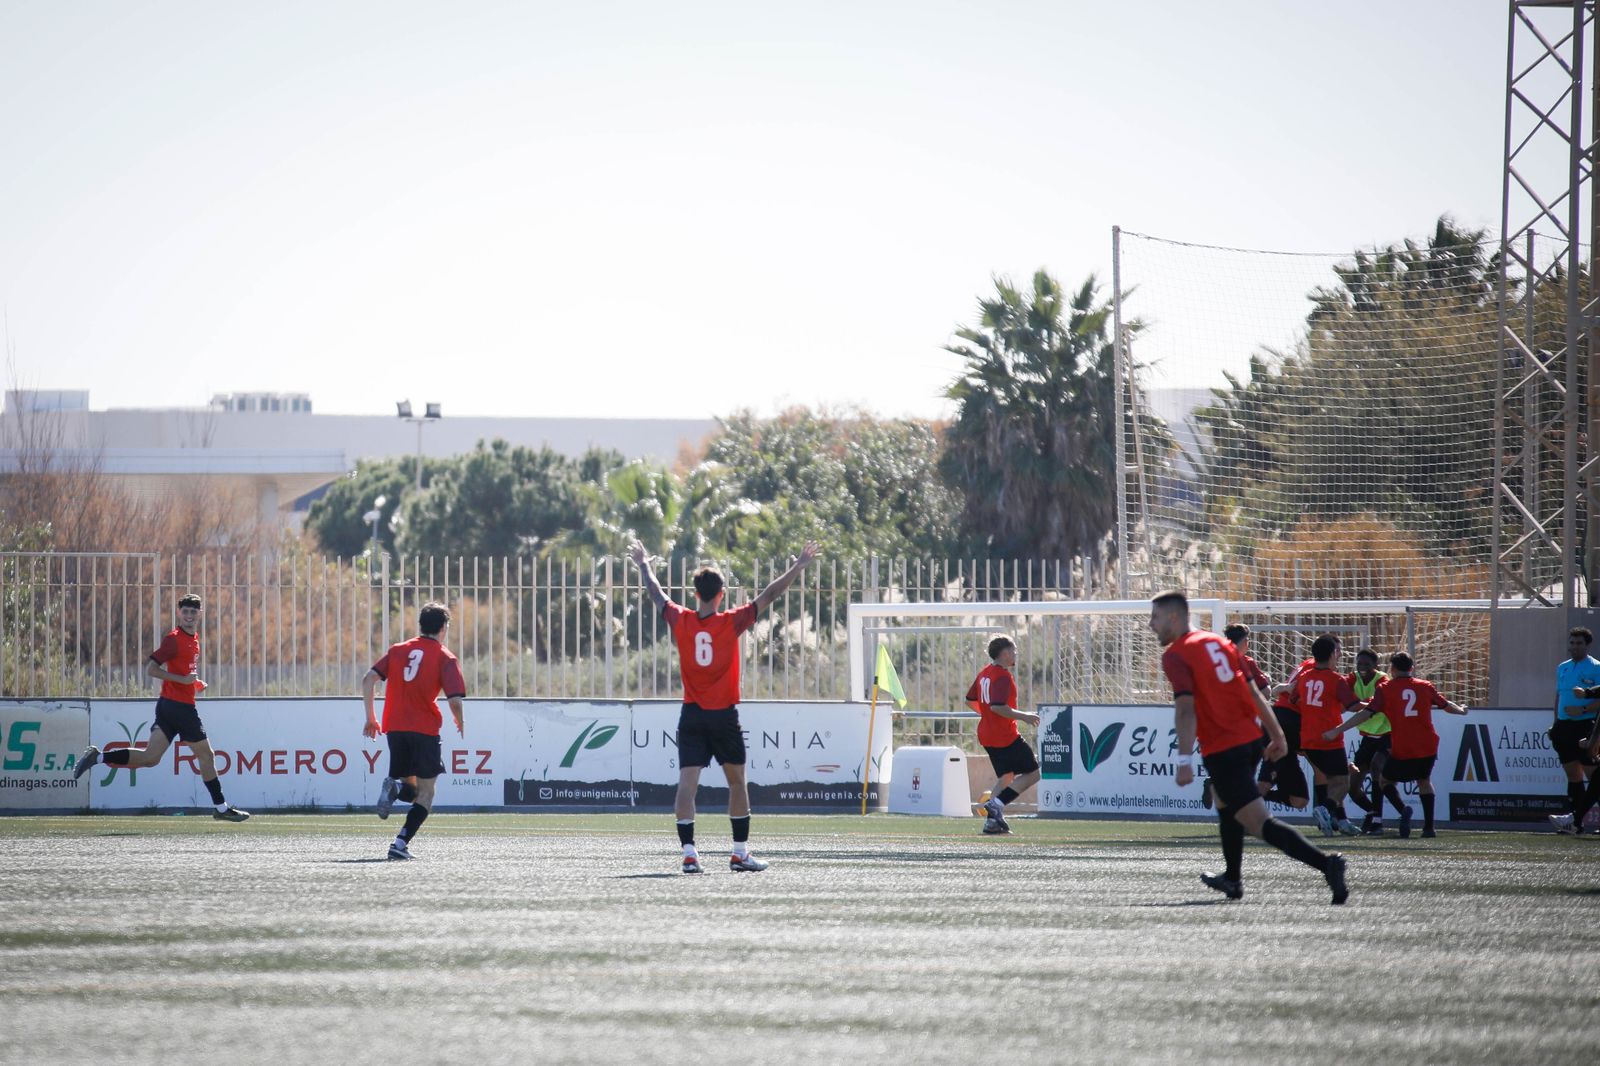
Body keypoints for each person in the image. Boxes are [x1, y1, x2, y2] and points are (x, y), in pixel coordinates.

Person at [630, 538, 819, 874]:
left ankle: (690, 855)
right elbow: (770, 595)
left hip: (691, 715)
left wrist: (643, 563)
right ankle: (739, 853)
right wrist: (799, 566)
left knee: (687, 785)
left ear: (695, 594)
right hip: (723, 717)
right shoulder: (730, 621)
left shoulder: (681, 619)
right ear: (720, 595)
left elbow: (656, 593)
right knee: (737, 783)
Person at [1150, 591, 1349, 905]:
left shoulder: (1176, 655)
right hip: (1250, 739)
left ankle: (1327, 864)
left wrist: (1184, 758)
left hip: (1224, 747)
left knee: (1258, 823)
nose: (1151, 625)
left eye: (1155, 617)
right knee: (1223, 801)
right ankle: (1232, 878)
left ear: (1174, 617)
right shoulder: (1219, 643)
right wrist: (1277, 735)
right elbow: (1255, 693)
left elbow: (1185, 709)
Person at [74, 593, 249, 822]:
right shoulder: (173, 639)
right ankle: (221, 808)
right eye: (185, 611)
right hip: (180, 708)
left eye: (192, 612)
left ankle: (97, 757)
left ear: (200, 614)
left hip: (168, 706)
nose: (188, 615)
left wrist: (194, 682)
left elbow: (183, 672)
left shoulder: (193, 639)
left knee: (150, 758)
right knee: (207, 755)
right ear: (179, 613)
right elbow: (152, 670)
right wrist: (184, 681)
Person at [362, 601, 466, 860]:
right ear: (444, 628)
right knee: (427, 793)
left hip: (394, 727)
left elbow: (368, 679)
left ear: (421, 625)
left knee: (411, 789)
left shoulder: (397, 651)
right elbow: (454, 700)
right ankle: (399, 844)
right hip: (424, 729)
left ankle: (395, 787)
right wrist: (460, 721)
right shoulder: (445, 657)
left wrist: (371, 718)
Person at [1324, 652, 1465, 839]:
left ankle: (1396, 812)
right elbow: (1446, 705)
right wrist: (1462, 710)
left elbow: (1366, 713)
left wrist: (1338, 729)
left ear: (1392, 669)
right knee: (1424, 781)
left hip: (1401, 745)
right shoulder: (1425, 686)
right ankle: (1429, 828)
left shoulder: (1386, 688)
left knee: (1384, 781)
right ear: (1411, 668)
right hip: (1427, 745)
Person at [968, 635, 1042, 835]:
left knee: (1006, 777)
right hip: (1004, 736)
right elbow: (997, 706)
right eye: (1014, 650)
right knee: (1034, 773)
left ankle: (992, 823)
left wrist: (988, 715)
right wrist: (1023, 716)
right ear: (1006, 653)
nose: (1016, 654)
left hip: (986, 734)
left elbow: (970, 700)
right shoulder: (1002, 676)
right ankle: (997, 804)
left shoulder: (985, 673)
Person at [1292, 635, 1363, 836]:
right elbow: (1354, 706)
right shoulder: (1336, 680)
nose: (1339, 655)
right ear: (1332, 654)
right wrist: (1374, 705)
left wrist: (1314, 710)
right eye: (1337, 651)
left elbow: (1294, 698)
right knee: (1342, 783)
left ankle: (1341, 821)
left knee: (1332, 781)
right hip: (1330, 740)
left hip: (1308, 739)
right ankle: (1324, 809)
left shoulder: (1305, 676)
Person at [1548, 627, 1600, 834]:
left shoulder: (1596, 667)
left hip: (1586, 726)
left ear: (1587, 646)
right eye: (1572, 643)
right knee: (1573, 774)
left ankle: (1576, 820)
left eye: (1579, 643)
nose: (1574, 647)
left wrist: (1583, 709)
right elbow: (1559, 697)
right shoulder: (1563, 667)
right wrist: (1555, 722)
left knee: (1594, 774)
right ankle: (1575, 822)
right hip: (1564, 727)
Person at [1344, 648, 1395, 835]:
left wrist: (1353, 703)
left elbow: (1375, 701)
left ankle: (1378, 822)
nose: (1362, 667)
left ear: (1376, 666)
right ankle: (1373, 813)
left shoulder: (1383, 680)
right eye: (1359, 663)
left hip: (1386, 734)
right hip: (1368, 737)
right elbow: (1341, 690)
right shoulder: (1353, 677)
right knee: (1353, 787)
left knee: (1376, 768)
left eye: (1366, 664)